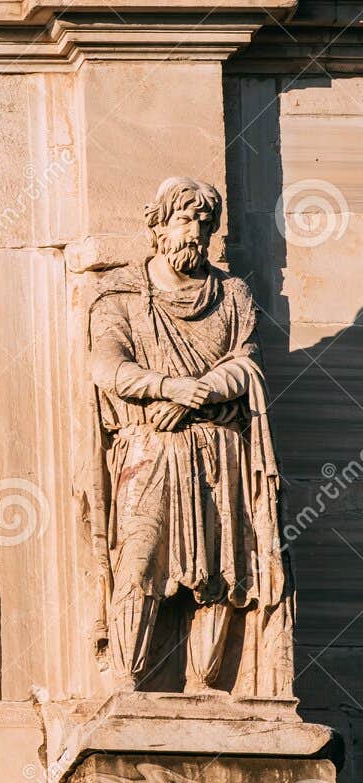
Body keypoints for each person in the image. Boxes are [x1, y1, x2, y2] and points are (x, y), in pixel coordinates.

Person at [89, 177, 291, 696]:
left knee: (220, 573)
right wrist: (168, 386)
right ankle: (127, 687)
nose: (196, 233)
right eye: (184, 220)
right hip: (149, 450)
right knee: (140, 561)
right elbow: (108, 366)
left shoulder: (233, 294)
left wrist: (191, 395)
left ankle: (207, 691)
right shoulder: (122, 295)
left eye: (205, 224)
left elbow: (247, 364)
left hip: (220, 447)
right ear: (157, 225)